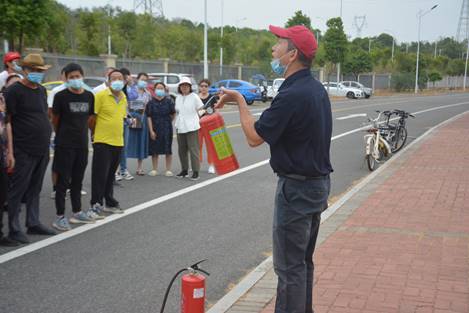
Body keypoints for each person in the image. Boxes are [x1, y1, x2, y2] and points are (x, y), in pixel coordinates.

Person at [215, 25, 333, 313]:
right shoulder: (315, 89)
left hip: (297, 189)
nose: (273, 49)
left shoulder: (292, 95)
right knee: (302, 262)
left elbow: (255, 137)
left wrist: (240, 101)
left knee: (289, 269)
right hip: (317, 185)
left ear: (292, 54)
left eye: (278, 43)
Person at [5, 53, 57, 244]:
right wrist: (10, 151)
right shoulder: (14, 91)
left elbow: (44, 115)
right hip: (22, 148)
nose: (37, 74)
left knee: (35, 188)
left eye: (40, 71)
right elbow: (7, 120)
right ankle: (13, 227)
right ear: (24, 70)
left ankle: (32, 222)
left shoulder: (41, 90)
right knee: (18, 190)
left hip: (42, 147)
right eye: (34, 71)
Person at [51, 63, 96, 231]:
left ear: (82, 76)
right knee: (63, 181)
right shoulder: (61, 96)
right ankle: (60, 216)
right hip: (64, 144)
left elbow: (90, 118)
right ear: (66, 79)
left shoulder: (89, 96)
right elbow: (55, 119)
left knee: (78, 179)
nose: (75, 80)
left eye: (78, 76)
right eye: (71, 77)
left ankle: (77, 211)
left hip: (81, 145)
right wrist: (61, 135)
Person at [88, 69, 127, 216]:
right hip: (102, 141)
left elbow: (121, 118)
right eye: (114, 78)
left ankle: (109, 201)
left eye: (120, 78)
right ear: (109, 81)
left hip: (117, 141)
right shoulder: (100, 96)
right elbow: (92, 118)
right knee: (99, 174)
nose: (117, 81)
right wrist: (95, 133)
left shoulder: (123, 97)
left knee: (111, 174)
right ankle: (95, 203)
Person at [174, 77, 204, 180]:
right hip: (180, 126)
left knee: (193, 149)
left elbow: (201, 109)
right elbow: (177, 111)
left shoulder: (194, 96)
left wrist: (198, 119)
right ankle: (184, 170)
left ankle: (196, 171)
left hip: (192, 126)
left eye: (186, 85)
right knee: (181, 150)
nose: (184, 87)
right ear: (180, 87)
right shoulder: (178, 97)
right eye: (182, 85)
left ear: (190, 87)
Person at [146, 81, 175, 176]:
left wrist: (168, 122)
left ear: (164, 90)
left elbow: (173, 113)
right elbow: (149, 116)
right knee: (155, 149)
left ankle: (168, 169)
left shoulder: (169, 101)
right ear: (154, 90)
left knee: (168, 149)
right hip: (155, 127)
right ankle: (154, 169)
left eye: (161, 88)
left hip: (167, 127)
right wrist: (151, 130)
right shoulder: (150, 103)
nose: (159, 90)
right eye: (158, 88)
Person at [0, 87, 17, 246]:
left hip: (2, 155)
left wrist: (10, 153)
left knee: (2, 194)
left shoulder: (2, 100)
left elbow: (7, 125)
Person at [126, 72, 151, 175]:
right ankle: (122, 168)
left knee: (141, 142)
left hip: (142, 119)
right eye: (142, 79)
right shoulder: (131, 90)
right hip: (131, 118)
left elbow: (147, 107)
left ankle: (139, 168)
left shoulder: (148, 94)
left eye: (145, 80)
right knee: (127, 142)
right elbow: (127, 104)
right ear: (137, 79)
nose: (143, 82)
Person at [115, 67, 136, 181]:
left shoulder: (128, 89)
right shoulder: (114, 89)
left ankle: (123, 170)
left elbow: (134, 97)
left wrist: (131, 84)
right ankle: (114, 171)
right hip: (115, 122)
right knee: (115, 147)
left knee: (124, 147)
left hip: (125, 121)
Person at [197, 79, 217, 174]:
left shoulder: (212, 98)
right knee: (197, 145)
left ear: (208, 87)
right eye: (202, 86)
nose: (203, 88)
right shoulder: (195, 97)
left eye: (205, 86)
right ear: (199, 87)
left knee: (210, 146)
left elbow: (215, 110)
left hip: (209, 124)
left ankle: (211, 165)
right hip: (197, 125)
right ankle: (196, 164)